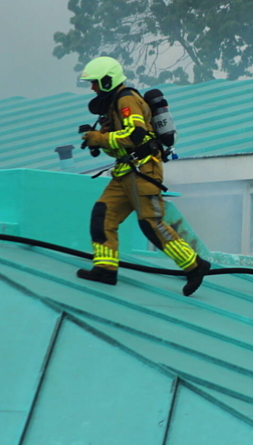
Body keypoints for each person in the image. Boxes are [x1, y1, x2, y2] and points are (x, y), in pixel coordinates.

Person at [75, 56, 212, 295]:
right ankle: (105, 269)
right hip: (126, 172)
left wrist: (102, 138)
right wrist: (98, 139)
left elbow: (136, 135)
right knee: (102, 215)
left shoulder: (126, 99)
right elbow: (120, 145)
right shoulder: (111, 106)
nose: (92, 88)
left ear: (108, 81)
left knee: (150, 223)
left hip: (143, 170)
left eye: (95, 82)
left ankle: (194, 265)